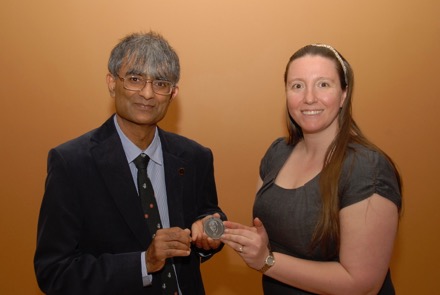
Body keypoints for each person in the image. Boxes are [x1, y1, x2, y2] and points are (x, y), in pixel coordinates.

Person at [34, 31, 226, 295]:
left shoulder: (195, 157)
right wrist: (143, 263)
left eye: (160, 83)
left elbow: (207, 215)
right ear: (112, 82)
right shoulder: (72, 163)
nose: (147, 93)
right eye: (135, 79)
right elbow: (54, 272)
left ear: (173, 93)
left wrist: (209, 234)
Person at [220, 44, 402, 294]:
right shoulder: (277, 153)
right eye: (297, 85)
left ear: (344, 94)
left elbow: (362, 285)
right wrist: (247, 240)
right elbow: (280, 231)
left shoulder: (366, 169)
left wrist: (267, 261)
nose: (308, 98)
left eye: (323, 84)